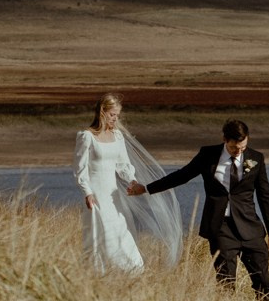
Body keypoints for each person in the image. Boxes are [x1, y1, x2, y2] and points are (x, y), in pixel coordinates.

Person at [128, 118, 269, 301]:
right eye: (234, 148)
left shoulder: (257, 158)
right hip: (220, 228)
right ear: (224, 139)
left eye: (243, 147)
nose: (238, 151)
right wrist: (147, 188)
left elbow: (265, 197)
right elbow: (182, 175)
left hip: (250, 228)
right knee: (226, 281)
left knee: (263, 281)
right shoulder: (208, 155)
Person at [73, 93, 185, 274]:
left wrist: (132, 180)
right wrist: (87, 191)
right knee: (100, 235)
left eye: (117, 115)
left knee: (122, 231)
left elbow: (123, 164)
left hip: (113, 194)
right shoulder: (87, 136)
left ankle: (131, 270)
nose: (115, 119)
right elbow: (80, 168)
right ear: (102, 112)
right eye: (112, 115)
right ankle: (99, 273)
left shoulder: (117, 136)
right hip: (96, 195)